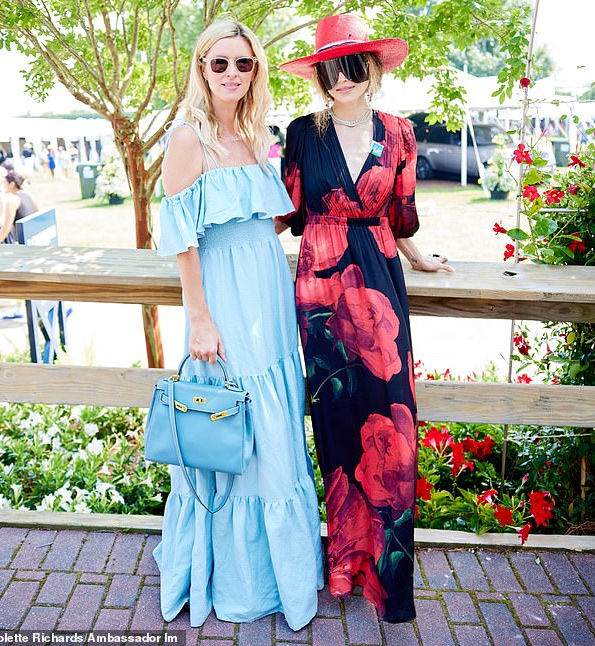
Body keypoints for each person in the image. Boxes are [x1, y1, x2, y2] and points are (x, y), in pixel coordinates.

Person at [277, 13, 452, 623]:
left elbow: (402, 216)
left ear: (371, 69)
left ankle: (390, 572)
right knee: (338, 422)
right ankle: (345, 563)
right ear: (321, 73)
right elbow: (286, 212)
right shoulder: (302, 133)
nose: (341, 77)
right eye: (330, 67)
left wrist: (421, 259)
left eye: (352, 65)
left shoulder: (399, 132)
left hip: (380, 285)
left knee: (392, 424)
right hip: (321, 296)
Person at [153, 18, 323, 630]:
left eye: (243, 64)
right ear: (201, 68)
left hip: (268, 296)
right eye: (219, 62)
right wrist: (200, 319)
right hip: (222, 299)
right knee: (233, 424)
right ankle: (236, 578)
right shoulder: (186, 139)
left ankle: (281, 573)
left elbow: (270, 218)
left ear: (256, 72)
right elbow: (182, 242)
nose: (231, 73)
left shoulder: (257, 134)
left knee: (274, 425)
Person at [0, 169, 38, 244]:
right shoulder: (29, 196)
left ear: (12, 184)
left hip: (24, 242)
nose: (3, 185)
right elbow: (38, 214)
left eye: (4, 182)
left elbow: (6, 229)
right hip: (33, 237)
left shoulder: (12, 200)